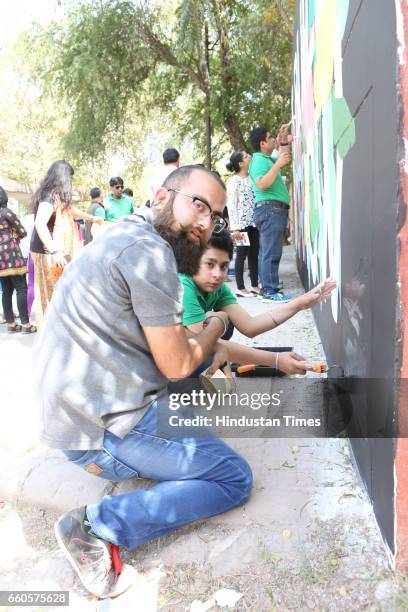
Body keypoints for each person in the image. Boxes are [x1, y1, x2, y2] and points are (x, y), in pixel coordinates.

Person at [35, 165, 287, 599]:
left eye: (216, 216)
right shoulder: (150, 255)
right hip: (96, 433)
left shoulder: (129, 233)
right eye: (199, 205)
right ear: (160, 197)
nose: (206, 223)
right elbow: (178, 364)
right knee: (232, 476)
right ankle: (96, 527)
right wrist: (217, 324)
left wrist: (219, 342)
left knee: (200, 394)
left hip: (80, 411)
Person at [179, 230, 336, 372]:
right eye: (210, 264)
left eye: (223, 266)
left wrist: (301, 303)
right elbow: (206, 344)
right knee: (215, 327)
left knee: (224, 322)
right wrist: (276, 360)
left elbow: (250, 326)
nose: (217, 274)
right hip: (164, 358)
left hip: (190, 343)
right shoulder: (183, 286)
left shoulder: (217, 287)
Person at [30, 160, 104, 321]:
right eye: (69, 177)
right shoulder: (48, 195)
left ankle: (64, 323)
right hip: (47, 252)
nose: (70, 182)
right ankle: (54, 328)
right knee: (52, 293)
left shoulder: (56, 195)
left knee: (63, 289)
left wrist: (92, 218)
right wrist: (54, 250)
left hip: (54, 251)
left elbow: (69, 209)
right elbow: (40, 223)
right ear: (63, 177)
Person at [248, 126, 292, 303]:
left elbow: (285, 158)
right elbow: (261, 184)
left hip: (272, 210)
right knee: (270, 252)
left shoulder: (267, 158)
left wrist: (283, 140)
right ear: (262, 143)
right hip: (269, 209)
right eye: (271, 137)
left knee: (269, 251)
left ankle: (268, 288)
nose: (273, 139)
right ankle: (269, 291)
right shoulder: (259, 160)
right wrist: (277, 165)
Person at [0, 186, 36, 333]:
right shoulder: (6, 212)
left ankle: (10, 323)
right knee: (21, 288)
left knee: (6, 290)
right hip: (12, 255)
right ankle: (26, 325)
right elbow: (22, 231)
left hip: (0, 258)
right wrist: (16, 236)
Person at [226, 150, 259, 297]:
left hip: (254, 223)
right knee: (241, 255)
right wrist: (235, 228)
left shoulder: (252, 178)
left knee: (254, 254)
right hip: (241, 225)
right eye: (246, 156)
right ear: (240, 163)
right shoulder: (234, 181)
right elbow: (231, 205)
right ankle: (240, 288)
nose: (249, 156)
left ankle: (254, 285)